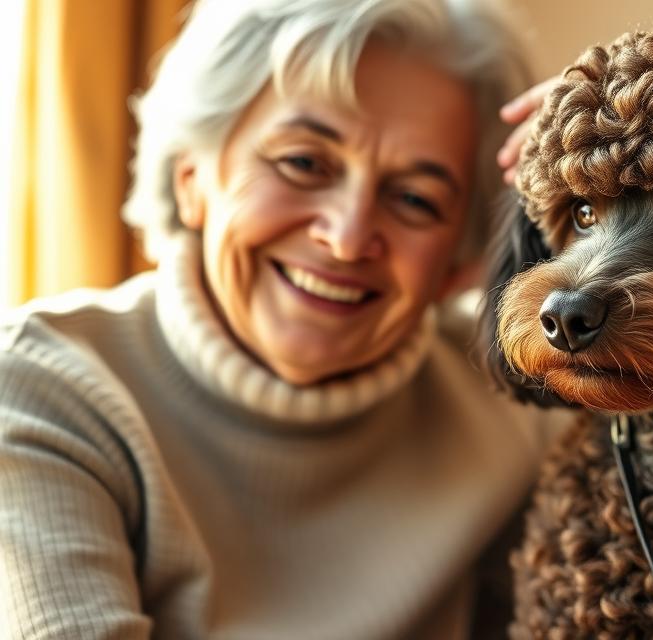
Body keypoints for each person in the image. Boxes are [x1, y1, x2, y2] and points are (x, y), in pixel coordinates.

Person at [0, 1, 563, 637]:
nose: (348, 238)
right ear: (192, 177)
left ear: (459, 259)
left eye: (415, 199)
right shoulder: (39, 390)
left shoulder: (516, 404)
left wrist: (597, 171)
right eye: (303, 163)